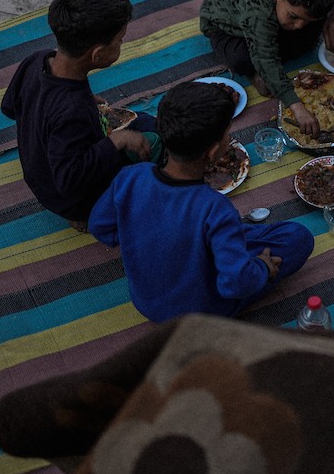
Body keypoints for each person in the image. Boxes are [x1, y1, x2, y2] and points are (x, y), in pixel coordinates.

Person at [89, 81, 315, 323]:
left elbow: (99, 226)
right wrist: (261, 268)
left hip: (147, 301)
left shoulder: (131, 176)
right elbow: (235, 284)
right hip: (200, 313)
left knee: (218, 237)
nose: (230, 139)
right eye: (228, 134)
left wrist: (145, 242)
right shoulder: (214, 208)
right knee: (297, 237)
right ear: (213, 151)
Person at [1, 0, 157, 231]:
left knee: (142, 123)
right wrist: (116, 142)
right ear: (97, 54)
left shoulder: (36, 60)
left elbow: (10, 108)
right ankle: (86, 214)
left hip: (39, 177)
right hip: (68, 196)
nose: (121, 44)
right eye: (120, 40)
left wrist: (51, 109)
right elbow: (69, 180)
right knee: (150, 151)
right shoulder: (73, 109)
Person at [199, 0, 334, 137]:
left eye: (303, 20)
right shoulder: (259, 12)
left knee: (310, 32)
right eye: (293, 16)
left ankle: (276, 52)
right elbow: (266, 58)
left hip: (266, 20)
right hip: (225, 28)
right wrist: (296, 107)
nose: (299, 25)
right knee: (244, 59)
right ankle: (256, 74)